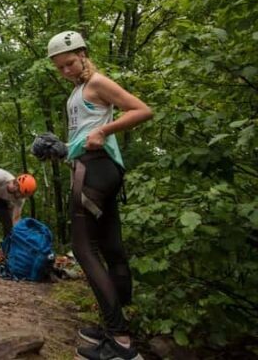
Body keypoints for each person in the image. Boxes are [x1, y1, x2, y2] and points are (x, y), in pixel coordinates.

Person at [48, 30, 152, 360]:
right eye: (59, 67)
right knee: (111, 248)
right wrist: (62, 149)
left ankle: (119, 340)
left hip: (95, 169)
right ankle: (118, 326)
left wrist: (104, 130)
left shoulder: (96, 83)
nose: (65, 70)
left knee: (83, 249)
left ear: (83, 54)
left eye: (69, 63)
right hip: (99, 167)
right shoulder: (80, 90)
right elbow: (84, 134)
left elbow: (141, 110)